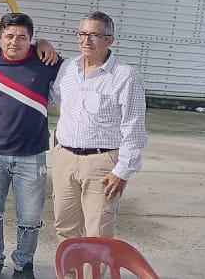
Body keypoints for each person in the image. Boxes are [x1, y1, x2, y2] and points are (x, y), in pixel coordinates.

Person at [0, 13, 62, 279]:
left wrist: (46, 44)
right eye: (9, 36)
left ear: (31, 39)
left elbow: (80, 72)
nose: (15, 42)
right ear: (0, 37)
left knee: (30, 217)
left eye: (22, 37)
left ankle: (24, 264)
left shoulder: (48, 61)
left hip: (32, 153)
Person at [52, 12, 146, 241]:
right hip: (64, 158)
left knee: (98, 235)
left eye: (94, 35)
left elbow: (134, 128)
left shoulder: (125, 76)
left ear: (109, 40)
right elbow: (52, 98)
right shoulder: (68, 68)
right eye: (82, 34)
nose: (86, 40)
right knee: (65, 229)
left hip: (101, 164)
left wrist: (122, 171)